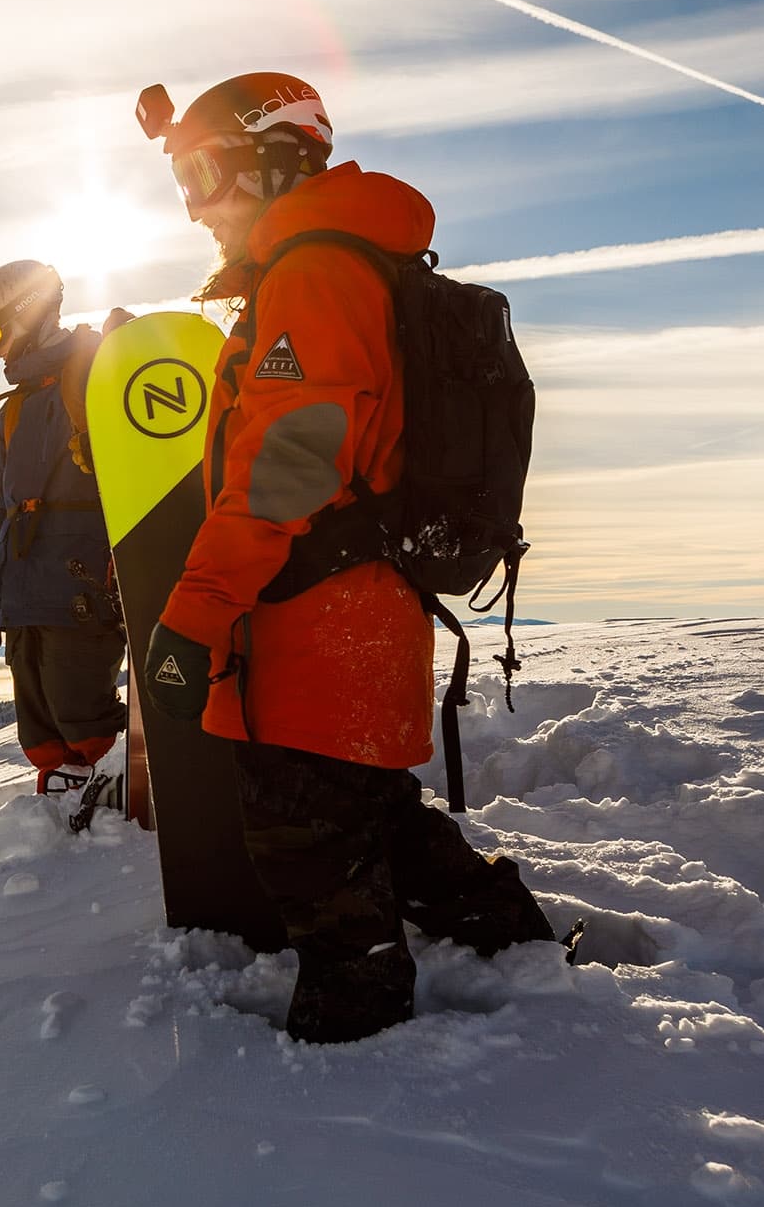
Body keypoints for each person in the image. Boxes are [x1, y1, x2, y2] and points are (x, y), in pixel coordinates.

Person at [136, 72, 554, 1043]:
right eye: (178, 183)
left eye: (203, 174)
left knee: (306, 848)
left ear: (277, 157)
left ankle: (353, 1047)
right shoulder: (328, 267)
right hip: (355, 610)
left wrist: (191, 615)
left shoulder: (314, 272)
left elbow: (285, 468)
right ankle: (513, 948)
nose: (193, 206)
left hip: (321, 624)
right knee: (369, 818)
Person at [0, 260, 127, 798]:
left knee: (84, 714)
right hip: (24, 597)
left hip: (82, 589)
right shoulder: (12, 412)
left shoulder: (95, 372)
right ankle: (61, 820)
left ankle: (117, 826)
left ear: (25, 311)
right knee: (40, 729)